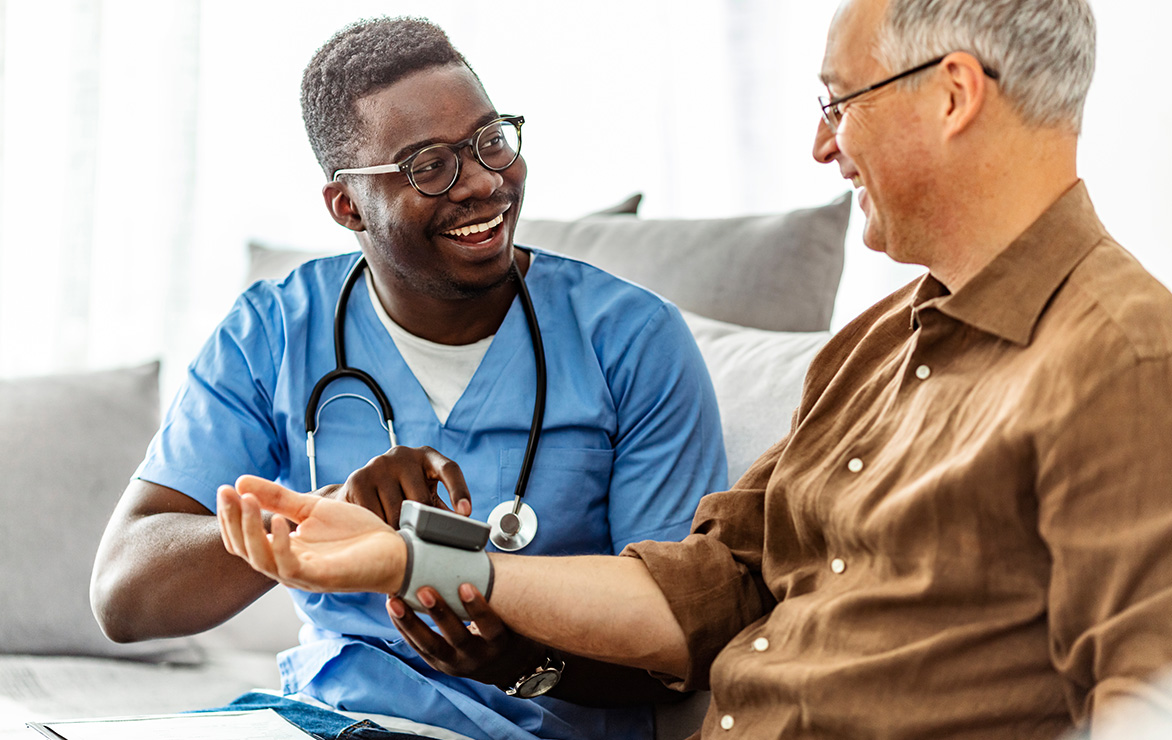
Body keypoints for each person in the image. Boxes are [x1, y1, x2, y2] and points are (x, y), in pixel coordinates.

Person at [215, 0, 1172, 737]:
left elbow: (1147, 694)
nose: (822, 144)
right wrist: (416, 558)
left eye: (841, 101)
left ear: (954, 94)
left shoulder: (1122, 360)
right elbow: (706, 591)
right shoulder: (882, 345)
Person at [89, 16, 727, 740]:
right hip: (325, 722)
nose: (485, 182)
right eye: (430, 165)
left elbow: (692, 631)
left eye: (491, 141)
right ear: (347, 205)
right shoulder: (274, 329)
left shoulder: (632, 341)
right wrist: (316, 520)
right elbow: (125, 596)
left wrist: (518, 656)